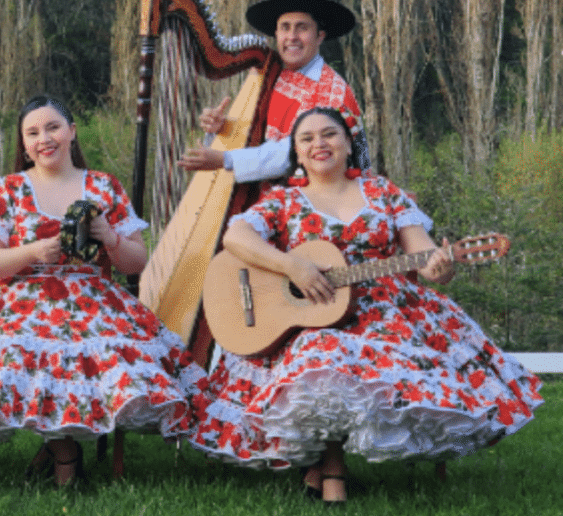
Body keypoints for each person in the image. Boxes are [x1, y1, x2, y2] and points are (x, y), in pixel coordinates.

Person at [186, 106, 543, 504]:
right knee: (319, 348)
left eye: (329, 135)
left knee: (333, 354)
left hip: (383, 310)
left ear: (348, 144)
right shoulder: (283, 200)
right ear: (297, 155)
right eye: (307, 139)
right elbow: (236, 237)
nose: (319, 144)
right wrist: (294, 267)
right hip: (308, 312)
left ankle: (324, 470)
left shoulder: (383, 193)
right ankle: (329, 470)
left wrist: (441, 266)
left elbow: (423, 257)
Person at [0, 95, 212, 486]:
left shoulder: (105, 186)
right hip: (20, 298)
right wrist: (32, 251)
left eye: (53, 127)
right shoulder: (8, 189)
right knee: (11, 354)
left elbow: (136, 262)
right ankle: (65, 451)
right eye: (33, 132)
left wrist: (109, 237)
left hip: (92, 299)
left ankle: (58, 446)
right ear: (24, 144)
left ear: (72, 132)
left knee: (102, 356)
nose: (44, 138)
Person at [179, 0, 370, 182]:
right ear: (276, 34)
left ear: (319, 36)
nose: (292, 37)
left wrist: (225, 159)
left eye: (302, 28)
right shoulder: (277, 75)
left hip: (319, 199)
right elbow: (262, 136)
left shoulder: (331, 93)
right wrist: (223, 127)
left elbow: (291, 154)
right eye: (285, 28)